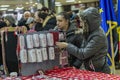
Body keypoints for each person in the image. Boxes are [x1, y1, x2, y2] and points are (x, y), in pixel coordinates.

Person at [56, 7, 111, 74]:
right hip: (92, 70)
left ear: (90, 22)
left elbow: (83, 54)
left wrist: (67, 45)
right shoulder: (89, 32)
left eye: (82, 22)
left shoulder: (98, 36)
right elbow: (82, 49)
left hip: (100, 71)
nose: (81, 24)